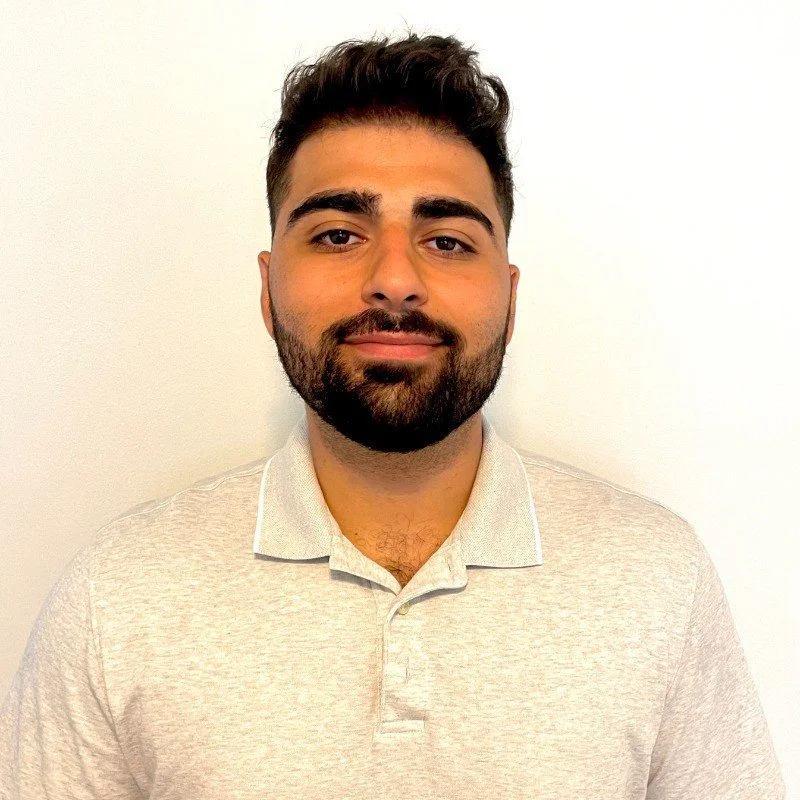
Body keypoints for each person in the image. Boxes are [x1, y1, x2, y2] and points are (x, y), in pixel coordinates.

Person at [0, 31, 787, 800]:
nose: (396, 280)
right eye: (339, 234)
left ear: (510, 301)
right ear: (268, 292)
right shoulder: (118, 595)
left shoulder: (656, 577)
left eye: (447, 241)